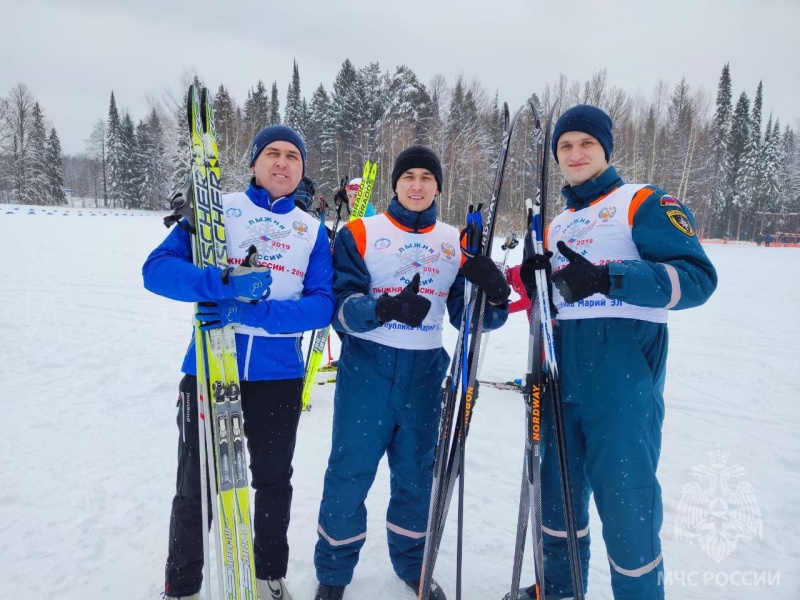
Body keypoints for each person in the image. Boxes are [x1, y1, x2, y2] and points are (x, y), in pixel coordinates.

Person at [512, 105, 717, 600]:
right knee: (558, 507)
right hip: (561, 381)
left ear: (605, 148)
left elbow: (696, 279)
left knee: (628, 511)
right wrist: (514, 281)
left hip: (622, 384)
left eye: (586, 143)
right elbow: (542, 301)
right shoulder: (556, 223)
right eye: (565, 146)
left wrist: (610, 277)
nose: (575, 154)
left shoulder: (642, 201)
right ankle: (560, 591)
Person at [142, 124, 335, 600]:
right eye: (273, 153)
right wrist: (222, 284)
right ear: (253, 162)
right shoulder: (218, 210)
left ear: (302, 169)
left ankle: (268, 573)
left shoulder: (311, 232)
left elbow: (321, 305)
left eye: (293, 156)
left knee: (273, 480)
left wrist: (258, 313)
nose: (283, 163)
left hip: (278, 375)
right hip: (209, 367)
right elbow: (157, 271)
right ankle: (183, 584)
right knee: (197, 483)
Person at [313, 145, 511, 600]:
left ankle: (412, 565)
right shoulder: (361, 232)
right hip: (368, 371)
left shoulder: (453, 241)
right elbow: (339, 308)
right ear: (396, 183)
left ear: (438, 186)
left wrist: (495, 297)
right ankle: (333, 574)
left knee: (418, 476)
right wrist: (382, 308)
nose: (417, 185)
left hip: (425, 374)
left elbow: (468, 316)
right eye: (409, 177)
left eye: (427, 177)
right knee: (349, 473)